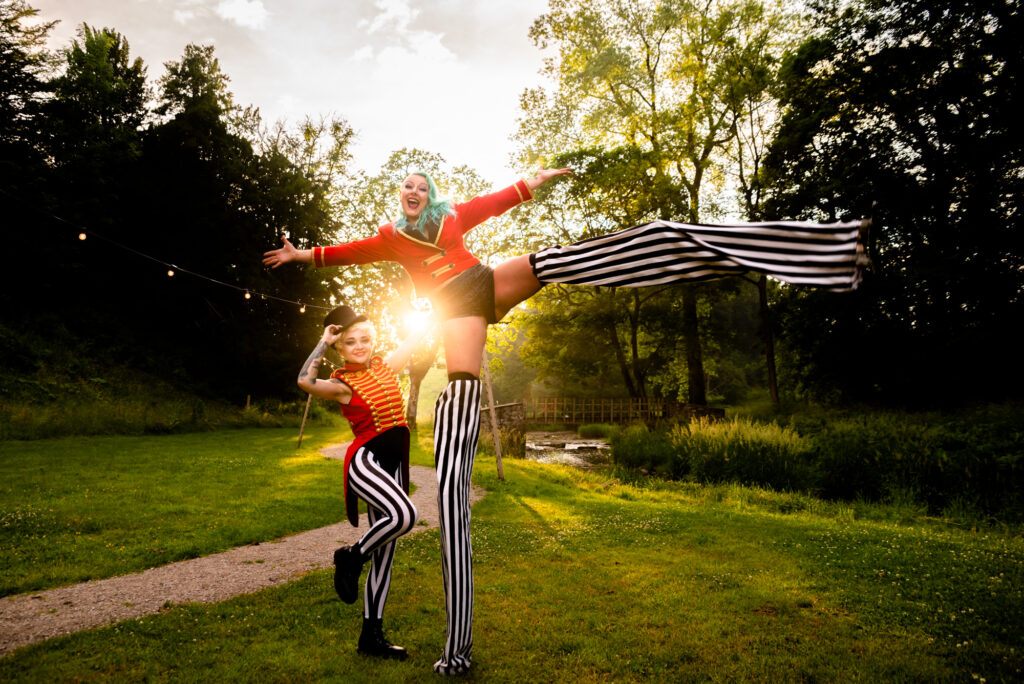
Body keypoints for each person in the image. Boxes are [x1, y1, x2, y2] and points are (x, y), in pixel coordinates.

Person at [269, 169, 869, 674]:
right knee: (452, 478)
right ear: (398, 197)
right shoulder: (392, 239)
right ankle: (457, 650)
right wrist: (302, 255)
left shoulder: (453, 219)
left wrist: (538, 181)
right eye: (406, 187)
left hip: (482, 281)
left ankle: (822, 251)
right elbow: (343, 253)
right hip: (451, 307)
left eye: (421, 185)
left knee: (576, 256)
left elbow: (499, 198)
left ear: (432, 192)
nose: (414, 192)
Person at [297, 304, 434, 661]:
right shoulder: (341, 384)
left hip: (391, 467)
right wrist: (323, 342)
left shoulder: (387, 367)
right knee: (404, 516)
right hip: (365, 462)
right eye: (351, 342)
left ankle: (370, 638)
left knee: (385, 557)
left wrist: (438, 298)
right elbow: (304, 382)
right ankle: (350, 555)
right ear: (340, 349)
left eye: (366, 339)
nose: (360, 346)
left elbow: (418, 333)